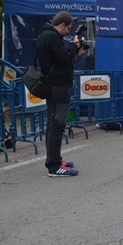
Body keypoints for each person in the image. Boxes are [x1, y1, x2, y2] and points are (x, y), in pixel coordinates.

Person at [36, 11, 85, 177]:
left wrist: (74, 52)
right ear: (62, 25)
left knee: (53, 124)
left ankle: (55, 159)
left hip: (54, 86)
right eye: (68, 28)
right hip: (59, 87)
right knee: (57, 124)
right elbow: (63, 59)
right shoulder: (52, 37)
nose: (68, 32)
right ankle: (54, 166)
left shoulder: (46, 35)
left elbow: (59, 59)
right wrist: (74, 47)